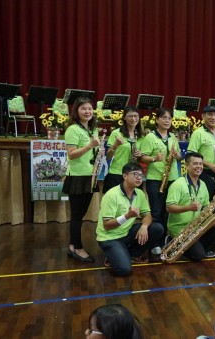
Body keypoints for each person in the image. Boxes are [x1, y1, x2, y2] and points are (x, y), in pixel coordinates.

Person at [96, 163, 164, 276]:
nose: (139, 177)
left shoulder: (140, 193)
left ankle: (129, 254)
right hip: (109, 237)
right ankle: (113, 255)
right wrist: (127, 216)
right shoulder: (111, 195)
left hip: (126, 233)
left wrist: (144, 226)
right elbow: (107, 225)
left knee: (157, 228)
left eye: (141, 175)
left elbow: (147, 215)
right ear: (125, 176)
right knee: (124, 270)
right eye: (135, 174)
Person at [166, 152, 215, 261]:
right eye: (195, 164)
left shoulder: (203, 184)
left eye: (201, 164)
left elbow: (206, 207)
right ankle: (172, 240)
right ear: (186, 166)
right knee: (198, 256)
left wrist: (214, 210)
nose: (199, 167)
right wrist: (188, 208)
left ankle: (198, 246)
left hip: (195, 226)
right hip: (180, 228)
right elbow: (169, 207)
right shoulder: (178, 184)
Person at [62, 97, 100, 263]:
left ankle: (72, 246)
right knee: (77, 215)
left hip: (90, 176)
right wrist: (89, 146)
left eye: (90, 109)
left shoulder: (93, 129)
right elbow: (71, 154)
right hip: (77, 177)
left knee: (80, 214)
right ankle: (78, 248)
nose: (87, 112)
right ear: (76, 111)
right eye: (83, 108)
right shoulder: (72, 129)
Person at [139, 107, 182, 228]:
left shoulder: (173, 137)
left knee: (168, 212)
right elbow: (142, 158)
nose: (167, 121)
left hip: (172, 178)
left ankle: (166, 240)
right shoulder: (150, 137)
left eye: (169, 118)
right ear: (157, 120)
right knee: (156, 212)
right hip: (156, 180)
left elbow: (179, 158)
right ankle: (155, 244)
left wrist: (177, 155)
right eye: (164, 118)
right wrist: (154, 158)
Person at [102, 106, 145, 193]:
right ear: (124, 117)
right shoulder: (116, 133)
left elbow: (142, 158)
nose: (133, 119)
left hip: (134, 175)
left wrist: (140, 155)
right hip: (117, 174)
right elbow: (108, 157)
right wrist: (115, 145)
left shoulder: (141, 136)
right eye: (130, 116)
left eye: (136, 116)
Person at [188, 105, 215, 199]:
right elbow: (190, 154)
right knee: (205, 201)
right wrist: (209, 164)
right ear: (203, 116)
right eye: (210, 115)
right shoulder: (198, 133)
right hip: (203, 172)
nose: (213, 118)